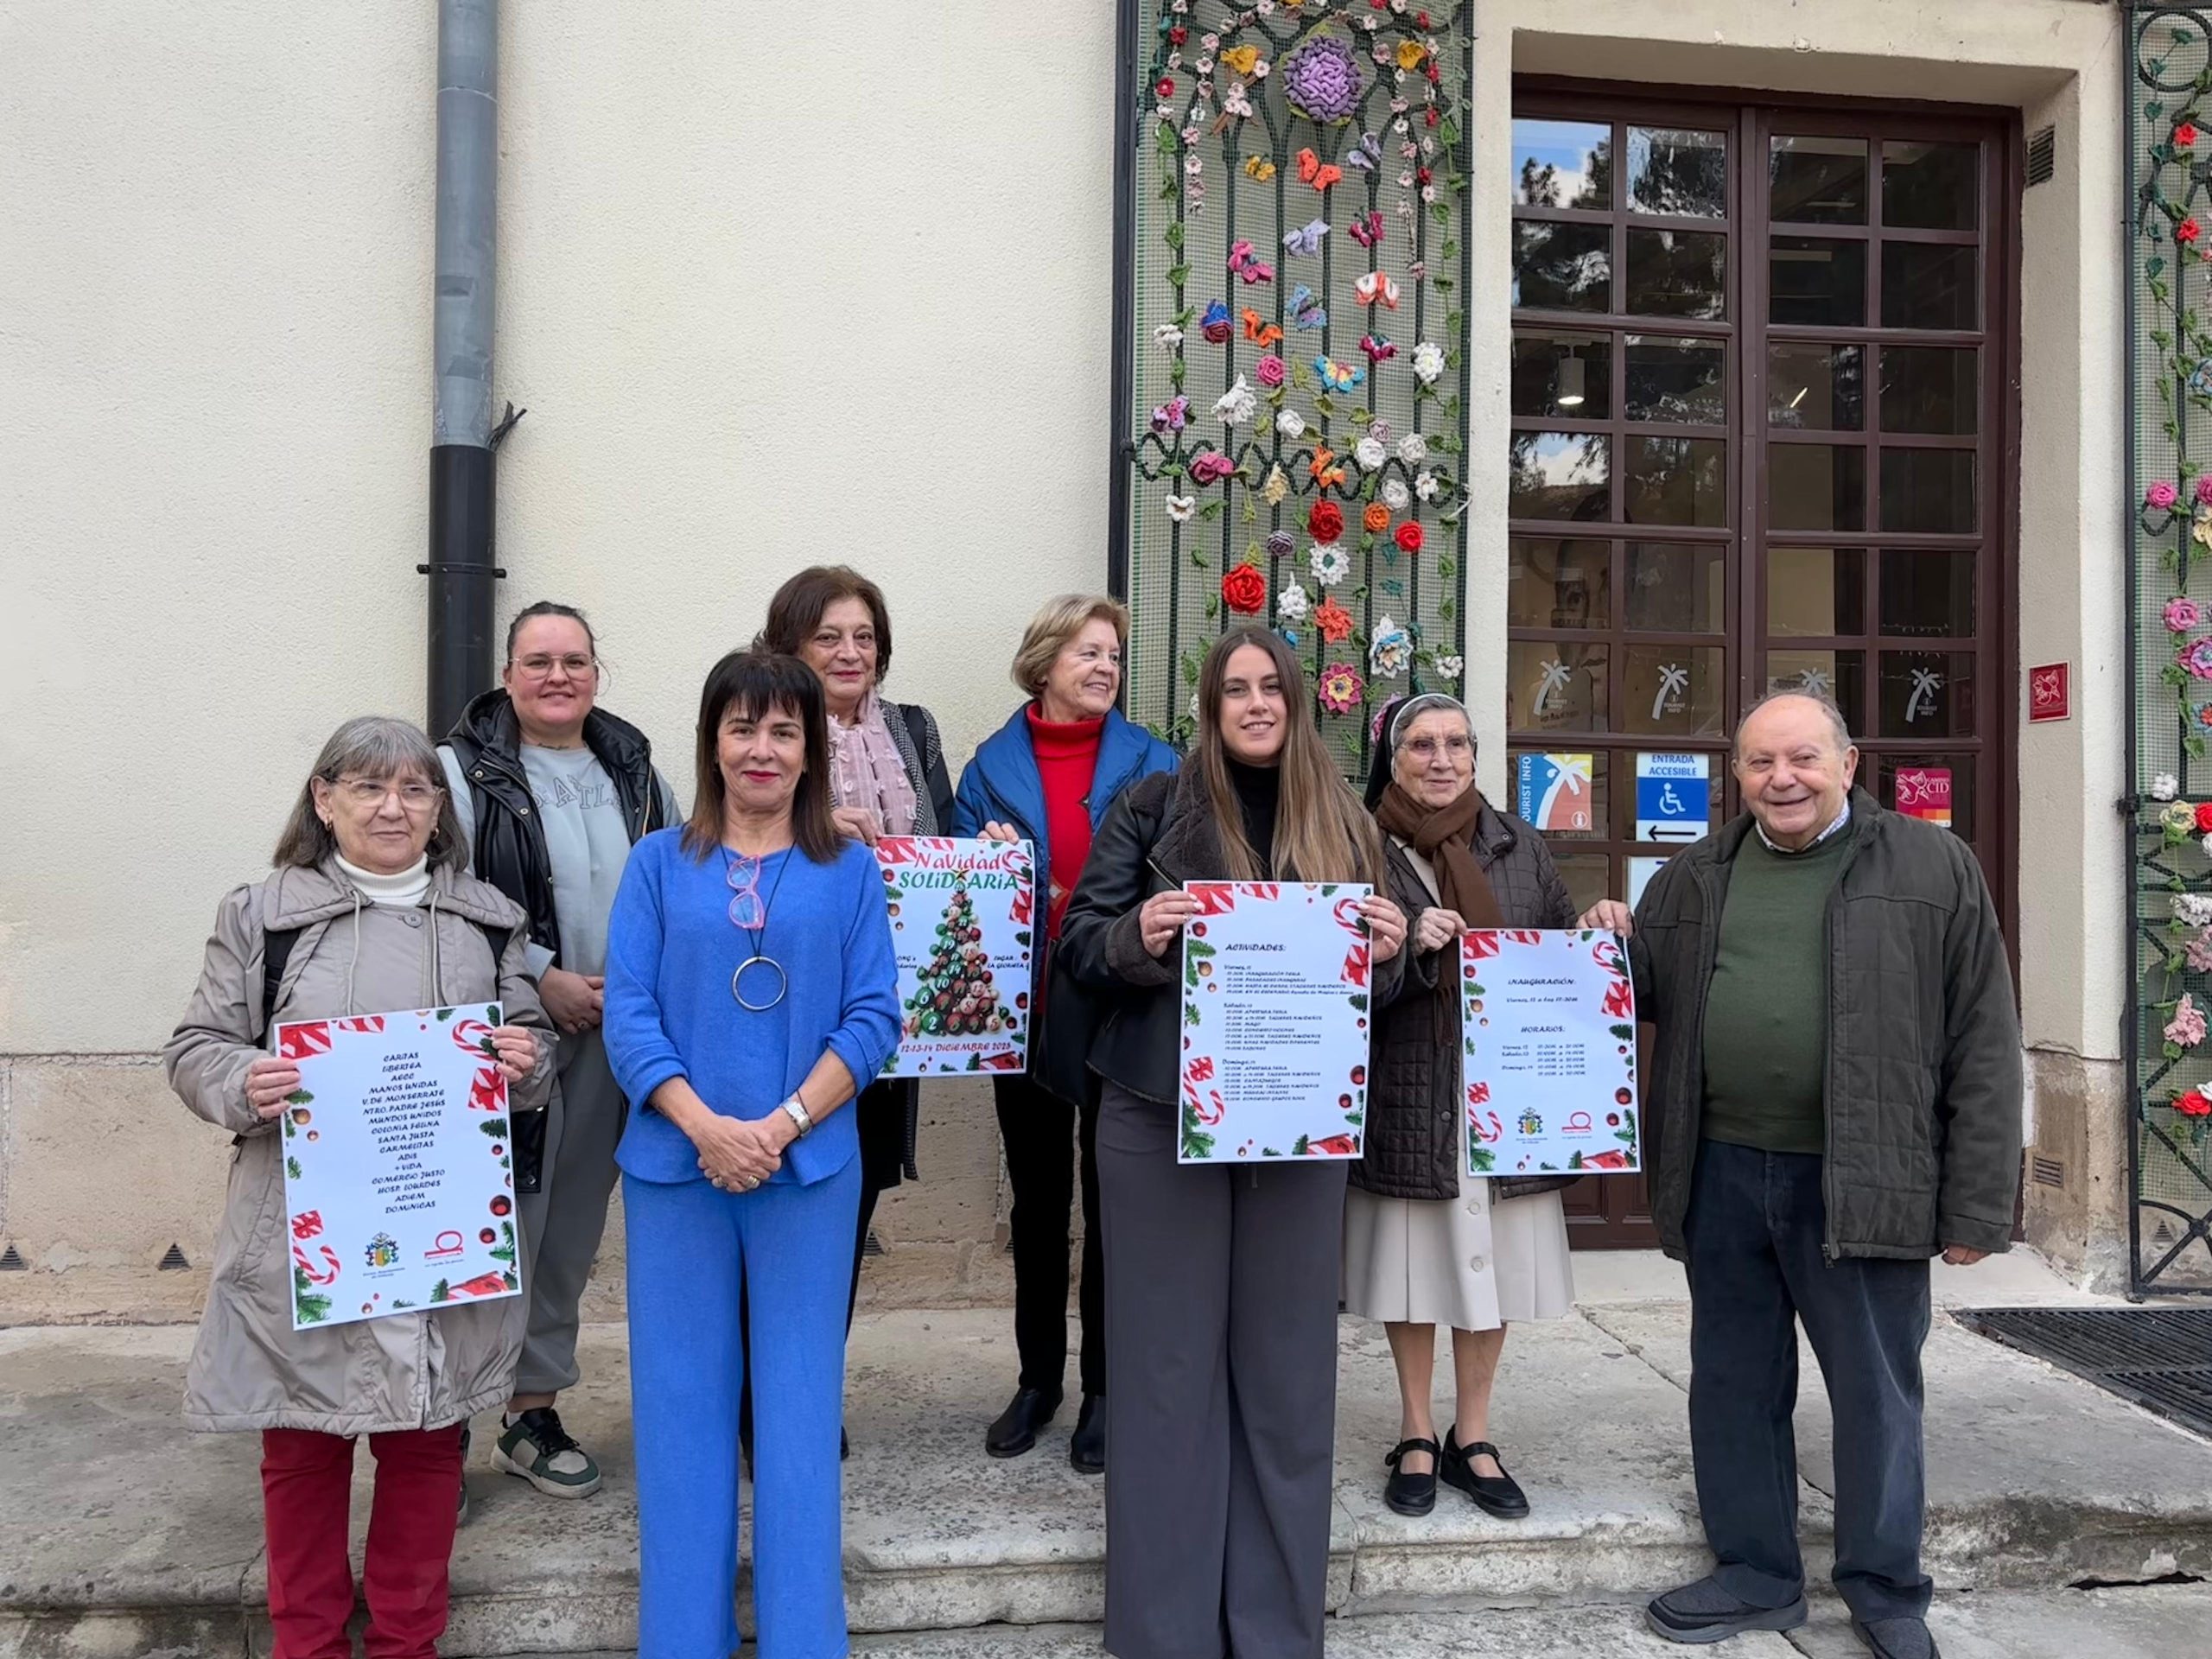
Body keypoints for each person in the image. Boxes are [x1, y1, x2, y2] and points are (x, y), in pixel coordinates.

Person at [1582, 691, 2021, 1659]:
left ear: (1848, 762)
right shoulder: (1693, 875)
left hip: (1864, 1174)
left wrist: (1979, 1201)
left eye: (1802, 759)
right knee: (1733, 1382)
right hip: (1723, 1169)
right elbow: (1640, 991)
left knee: (1874, 1390)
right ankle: (1755, 1574)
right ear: (1734, 776)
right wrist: (1608, 937)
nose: (1781, 778)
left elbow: (1984, 1040)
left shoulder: (1931, 865)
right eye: (1758, 763)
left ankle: (1885, 1588)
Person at [164, 716, 554, 1659]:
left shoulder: (488, 917)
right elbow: (195, 1049)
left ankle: (405, 1644)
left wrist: (524, 1058)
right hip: (308, 1229)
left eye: (415, 789)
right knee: (303, 1446)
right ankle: (307, 1646)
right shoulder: (262, 916)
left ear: (438, 808)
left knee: (426, 1447)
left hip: (439, 1226)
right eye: (369, 788)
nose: (393, 806)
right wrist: (241, 1082)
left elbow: (535, 1051)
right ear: (324, 799)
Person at [1058, 626, 1409, 1659]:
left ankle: (1271, 1631)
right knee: (1166, 1376)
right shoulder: (1151, 805)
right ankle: (1164, 1633)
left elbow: (1380, 984)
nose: (1254, 704)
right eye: (1233, 691)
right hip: (1161, 1115)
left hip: (1299, 1123)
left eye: (1271, 688)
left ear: (1297, 703)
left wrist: (1387, 954)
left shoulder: (1346, 820)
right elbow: (1082, 942)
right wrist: (1138, 937)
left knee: (1288, 1376)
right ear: (1209, 710)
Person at [601, 649, 899, 1659]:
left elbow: (873, 1020)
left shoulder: (849, 869)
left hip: (805, 1175)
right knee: (680, 1410)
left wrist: (775, 1129)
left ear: (813, 747)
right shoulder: (655, 864)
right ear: (713, 741)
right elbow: (629, 1019)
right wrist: (707, 1128)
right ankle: (681, 1640)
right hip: (677, 1175)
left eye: (783, 730)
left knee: (799, 1413)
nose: (762, 749)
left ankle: (803, 1639)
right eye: (742, 728)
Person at [439, 601, 679, 1501]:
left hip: (613, 1034)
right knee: (487, 1230)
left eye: (574, 660)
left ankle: (528, 1413)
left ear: (595, 674)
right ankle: (444, 1425)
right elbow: (443, 894)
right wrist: (542, 976)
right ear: (507, 674)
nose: (557, 676)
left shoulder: (637, 769)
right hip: (503, 1038)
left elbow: (671, 883)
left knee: (569, 1229)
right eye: (538, 660)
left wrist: (634, 992)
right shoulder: (456, 774)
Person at [950, 594, 1179, 1472]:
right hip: (1026, 1019)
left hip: (1122, 1011)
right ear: (1042, 662)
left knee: (1116, 1205)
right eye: (1087, 653)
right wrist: (991, 859)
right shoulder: (987, 769)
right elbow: (958, 893)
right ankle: (1038, 1379)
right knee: (1038, 1205)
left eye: (1113, 656)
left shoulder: (1156, 761)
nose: (1103, 668)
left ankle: (1106, 1389)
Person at [1345, 693, 1580, 1521]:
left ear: (1476, 755)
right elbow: (1328, 982)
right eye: (1420, 745)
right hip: (1407, 1090)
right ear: (1392, 757)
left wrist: (1598, 929)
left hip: (1502, 1096)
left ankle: (1471, 1436)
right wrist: (1407, 948)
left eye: (1456, 744)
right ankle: (1415, 1430)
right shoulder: (1357, 845)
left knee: (1494, 1275)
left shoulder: (1519, 845)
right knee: (1414, 1276)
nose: (1440, 760)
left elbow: (1560, 955)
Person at [758, 566, 952, 1332]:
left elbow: (944, 843)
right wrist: (807, 826)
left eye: (864, 637)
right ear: (791, 647)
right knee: (777, 1196)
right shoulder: (765, 727)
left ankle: (808, 1386)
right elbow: (726, 844)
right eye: (828, 637)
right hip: (790, 1006)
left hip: (882, 1006)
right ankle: (754, 1396)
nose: (850, 653)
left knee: (853, 1192)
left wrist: (989, 852)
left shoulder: (914, 727)